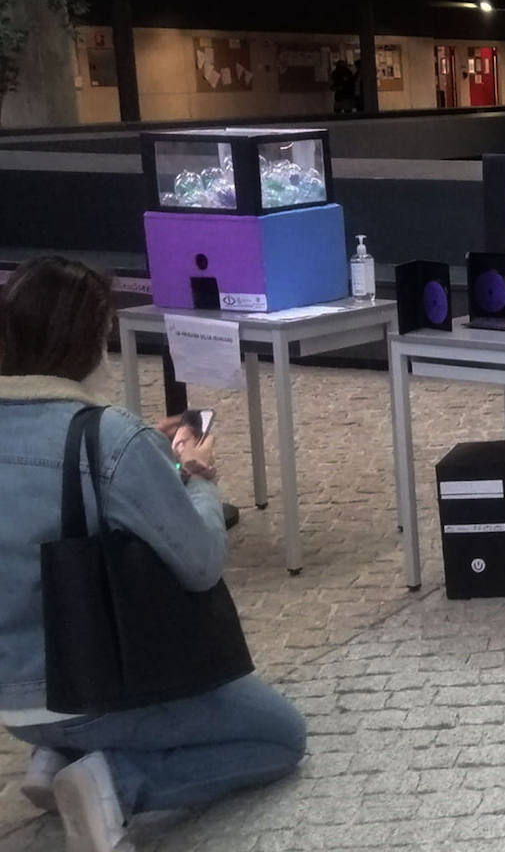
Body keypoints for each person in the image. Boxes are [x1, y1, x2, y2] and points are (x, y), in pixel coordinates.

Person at [0, 257, 306, 852]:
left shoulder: (105, 437)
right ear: (92, 341)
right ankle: (112, 781)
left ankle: (53, 754)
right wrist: (198, 481)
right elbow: (199, 564)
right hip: (91, 685)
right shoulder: (110, 436)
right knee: (278, 737)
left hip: (11, 698)